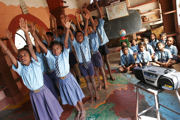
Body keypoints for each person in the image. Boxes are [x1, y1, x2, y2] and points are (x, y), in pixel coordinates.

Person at [0, 18, 63, 120]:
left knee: (52, 112)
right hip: (34, 95)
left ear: (30, 56)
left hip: (44, 91)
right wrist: (2, 42)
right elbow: (9, 52)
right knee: (43, 115)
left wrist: (26, 32)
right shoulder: (21, 69)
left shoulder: (36, 63)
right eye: (20, 57)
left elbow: (30, 47)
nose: (22, 57)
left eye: (25, 55)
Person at [35, 19, 86, 120]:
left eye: (57, 48)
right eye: (53, 49)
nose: (55, 50)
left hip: (68, 79)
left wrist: (67, 29)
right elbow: (45, 49)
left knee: (75, 95)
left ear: (61, 49)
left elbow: (66, 42)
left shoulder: (65, 54)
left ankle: (83, 110)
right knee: (69, 97)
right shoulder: (53, 58)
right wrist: (35, 37)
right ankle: (78, 110)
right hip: (61, 81)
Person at [72, 11, 99, 103]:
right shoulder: (75, 44)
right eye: (77, 36)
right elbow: (72, 37)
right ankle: (91, 95)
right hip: (81, 65)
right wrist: (67, 28)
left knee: (92, 79)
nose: (79, 36)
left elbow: (86, 29)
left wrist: (87, 20)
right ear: (75, 38)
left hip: (89, 63)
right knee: (87, 80)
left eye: (81, 35)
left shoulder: (86, 41)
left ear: (83, 36)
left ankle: (96, 93)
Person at [93, 0, 115, 80]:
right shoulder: (92, 31)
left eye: (96, 21)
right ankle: (104, 76)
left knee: (107, 60)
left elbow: (101, 15)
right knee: (101, 62)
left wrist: (97, 5)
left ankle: (110, 74)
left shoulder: (100, 26)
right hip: (98, 47)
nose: (95, 22)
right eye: (93, 22)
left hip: (104, 45)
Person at [86, 8, 107, 90]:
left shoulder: (94, 34)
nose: (89, 30)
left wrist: (89, 14)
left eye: (90, 28)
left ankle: (105, 82)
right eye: (88, 29)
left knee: (101, 69)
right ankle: (100, 83)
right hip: (91, 55)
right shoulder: (87, 37)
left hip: (96, 53)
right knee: (96, 70)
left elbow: (93, 25)